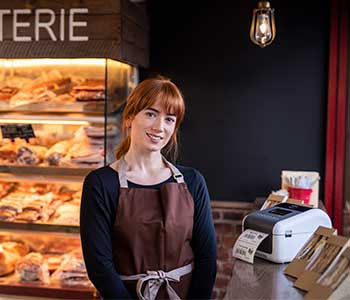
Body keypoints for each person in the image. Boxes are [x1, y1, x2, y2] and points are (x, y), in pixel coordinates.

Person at [80, 76, 217, 300]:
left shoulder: (193, 181)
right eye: (151, 114)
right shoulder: (100, 184)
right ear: (130, 117)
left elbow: (207, 258)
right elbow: (99, 266)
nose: (159, 127)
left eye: (169, 119)